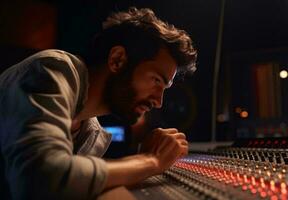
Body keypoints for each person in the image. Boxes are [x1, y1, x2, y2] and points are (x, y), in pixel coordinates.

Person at [0, 7, 197, 199]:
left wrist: (141, 162)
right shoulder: (53, 68)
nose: (158, 102)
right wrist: (150, 161)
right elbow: (41, 179)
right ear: (117, 60)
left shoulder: (90, 131)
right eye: (156, 80)